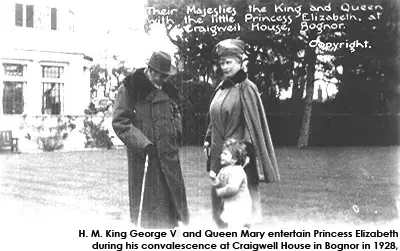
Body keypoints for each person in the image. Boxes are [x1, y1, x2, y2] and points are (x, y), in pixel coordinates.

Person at [204, 38, 280, 228]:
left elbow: (254, 128)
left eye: (228, 62)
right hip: (218, 157)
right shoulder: (221, 88)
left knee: (242, 211)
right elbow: (213, 119)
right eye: (221, 63)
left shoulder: (247, 88)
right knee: (221, 213)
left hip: (238, 158)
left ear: (240, 62)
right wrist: (207, 139)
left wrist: (239, 154)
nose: (224, 67)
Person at [112, 51, 189, 229]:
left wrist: (175, 131)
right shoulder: (130, 88)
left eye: (166, 75)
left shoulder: (168, 90)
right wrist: (144, 144)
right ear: (150, 70)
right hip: (146, 158)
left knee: (171, 212)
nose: (164, 79)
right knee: (148, 212)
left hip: (169, 157)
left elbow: (176, 111)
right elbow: (120, 122)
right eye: (161, 75)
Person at [209, 138, 252, 228]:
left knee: (236, 226)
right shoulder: (223, 169)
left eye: (225, 154)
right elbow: (219, 182)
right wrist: (214, 180)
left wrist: (219, 192)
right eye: (222, 153)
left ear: (234, 159)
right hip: (230, 203)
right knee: (230, 225)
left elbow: (233, 188)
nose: (221, 155)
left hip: (240, 204)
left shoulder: (238, 171)